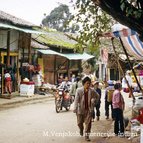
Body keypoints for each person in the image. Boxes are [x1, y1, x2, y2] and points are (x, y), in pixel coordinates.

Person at [73, 76, 99, 141]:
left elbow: (97, 96)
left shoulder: (92, 90)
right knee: (79, 123)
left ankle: (87, 136)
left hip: (89, 110)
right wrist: (75, 107)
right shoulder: (79, 90)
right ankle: (81, 129)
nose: (88, 85)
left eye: (89, 83)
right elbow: (76, 99)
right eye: (87, 83)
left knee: (88, 124)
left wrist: (94, 101)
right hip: (80, 110)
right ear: (83, 83)